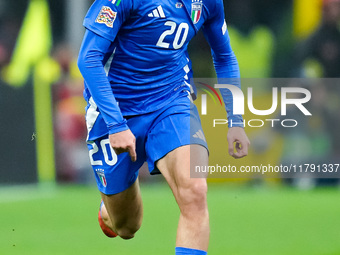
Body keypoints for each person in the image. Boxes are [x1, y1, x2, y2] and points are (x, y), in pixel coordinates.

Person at [77, 0, 250, 254]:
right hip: (115, 109)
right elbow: (88, 58)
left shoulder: (208, 3)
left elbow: (224, 56)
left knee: (195, 191)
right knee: (126, 227)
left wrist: (235, 120)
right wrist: (116, 124)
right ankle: (114, 201)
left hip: (172, 102)